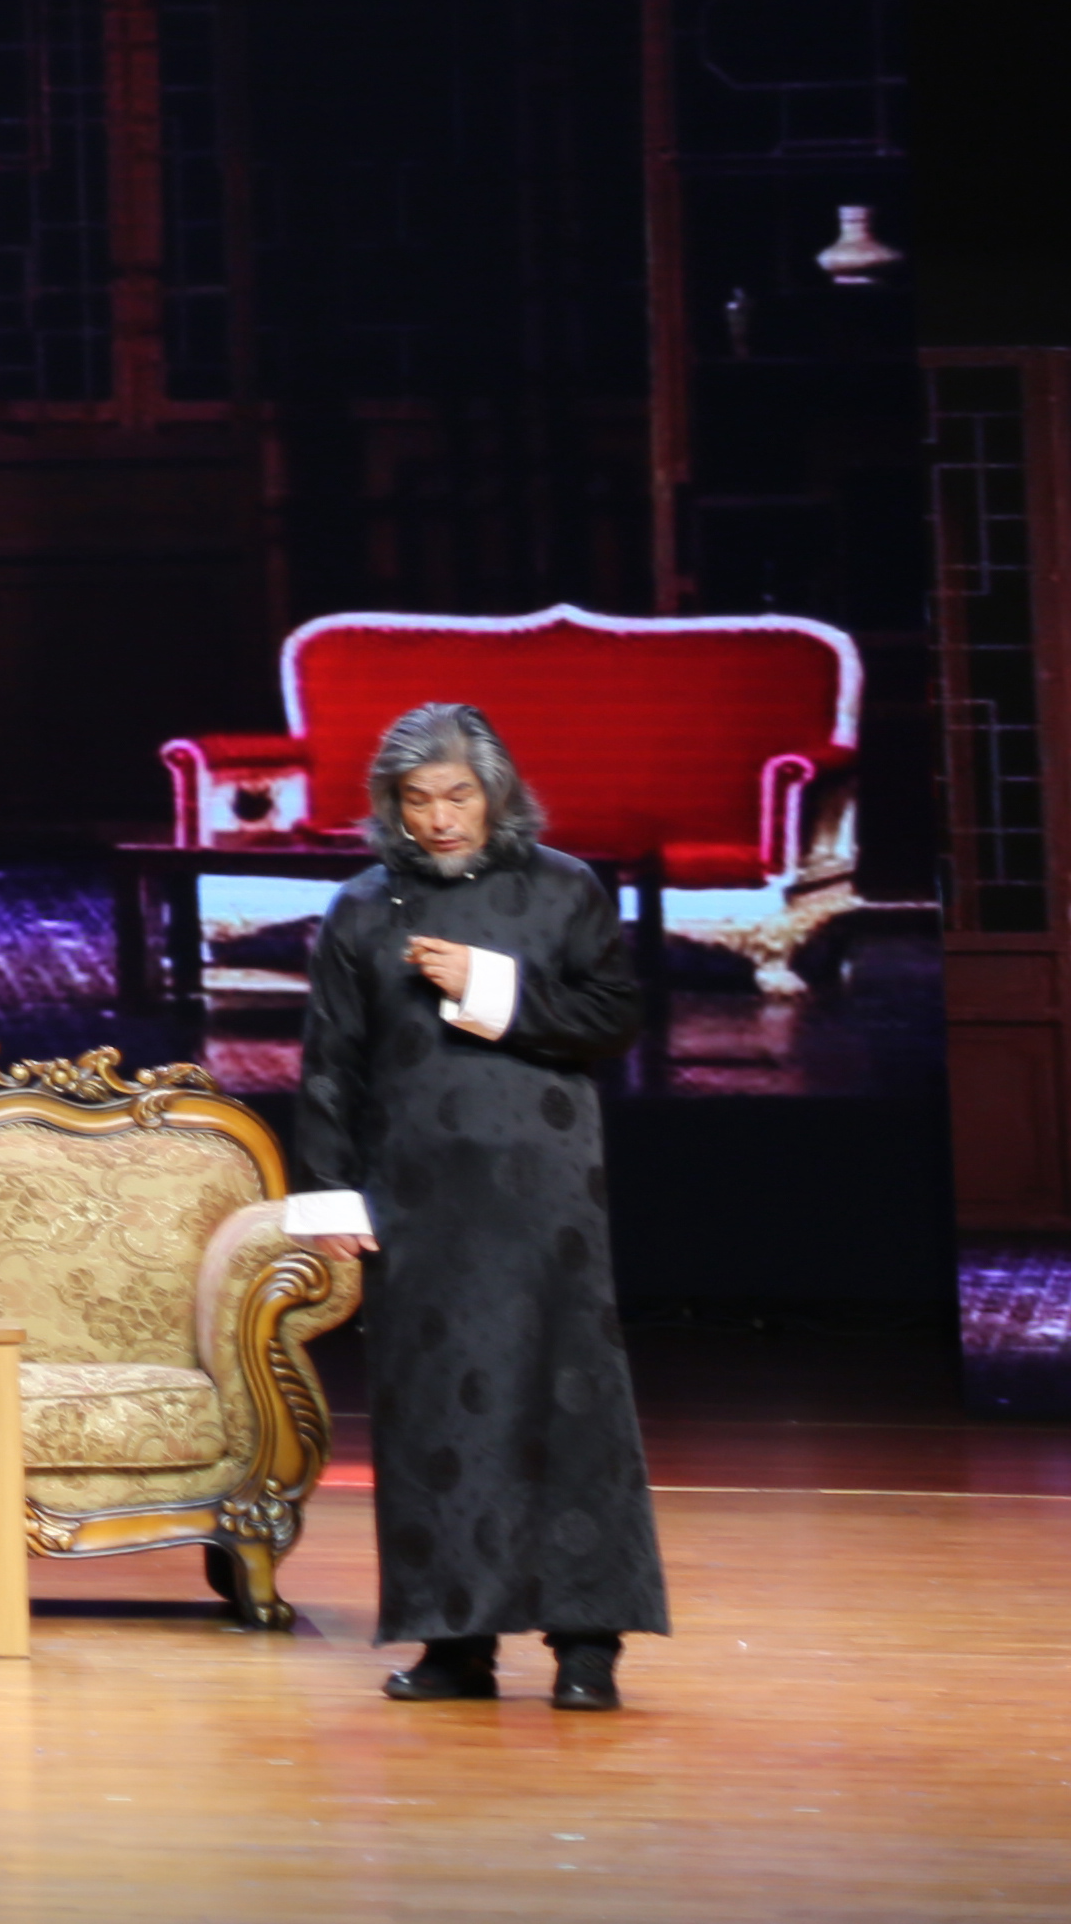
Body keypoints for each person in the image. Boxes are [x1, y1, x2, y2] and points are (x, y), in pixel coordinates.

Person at [284, 700, 670, 1711]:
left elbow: (612, 1019)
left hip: (548, 1195)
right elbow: (330, 1063)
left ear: (494, 792)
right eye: (418, 800)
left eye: (457, 795)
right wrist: (328, 1193)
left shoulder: (565, 888)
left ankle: (586, 1646)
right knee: (435, 1409)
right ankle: (456, 1643)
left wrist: (490, 987)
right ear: (392, 805)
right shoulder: (364, 908)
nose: (440, 817)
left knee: (566, 1401)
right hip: (420, 1198)